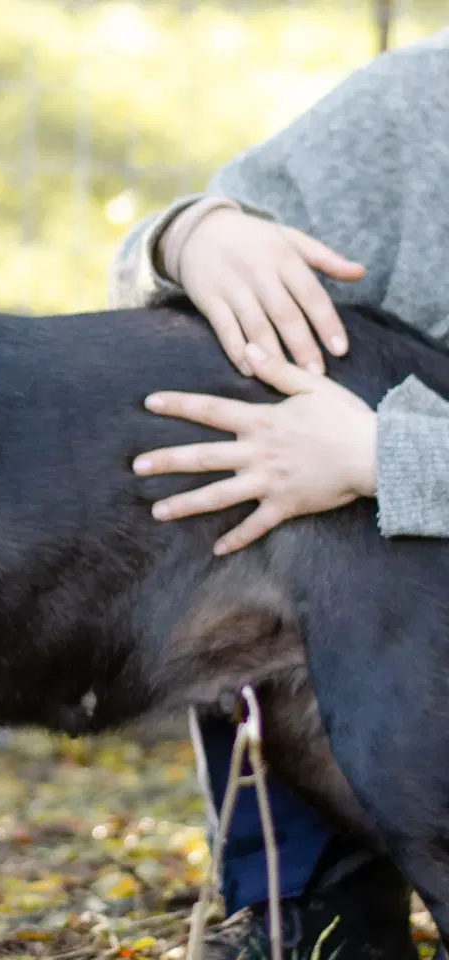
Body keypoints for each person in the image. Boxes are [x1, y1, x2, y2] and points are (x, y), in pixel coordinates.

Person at [108, 28, 449, 960]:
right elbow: (151, 279)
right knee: (234, 420)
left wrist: (389, 458)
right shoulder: (421, 103)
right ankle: (312, 903)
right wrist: (195, 238)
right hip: (386, 592)